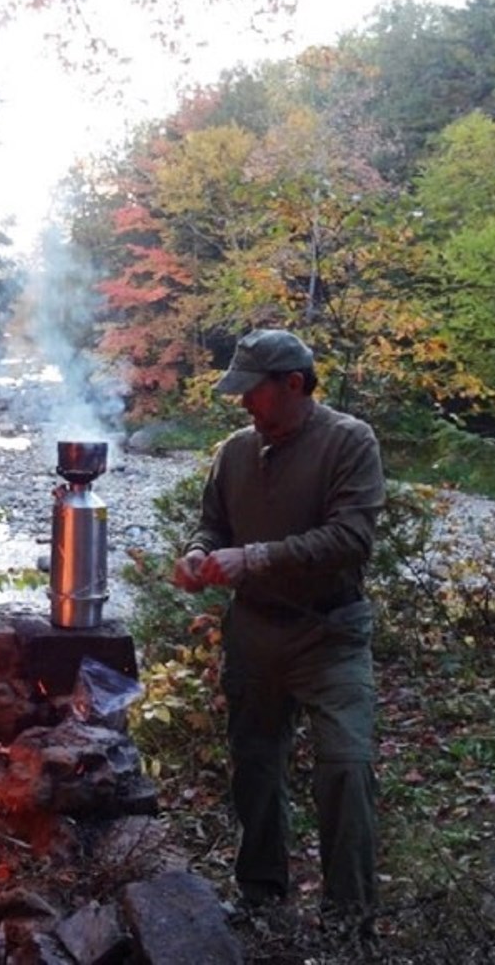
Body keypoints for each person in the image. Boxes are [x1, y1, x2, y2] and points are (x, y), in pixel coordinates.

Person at [173, 328, 386, 936]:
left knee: (346, 766)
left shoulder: (349, 442)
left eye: (254, 392)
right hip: (255, 634)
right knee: (255, 767)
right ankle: (262, 896)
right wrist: (196, 556)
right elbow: (211, 525)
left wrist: (257, 558)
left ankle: (349, 921)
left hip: (330, 634)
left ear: (294, 384)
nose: (244, 404)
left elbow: (351, 539)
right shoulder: (236, 451)